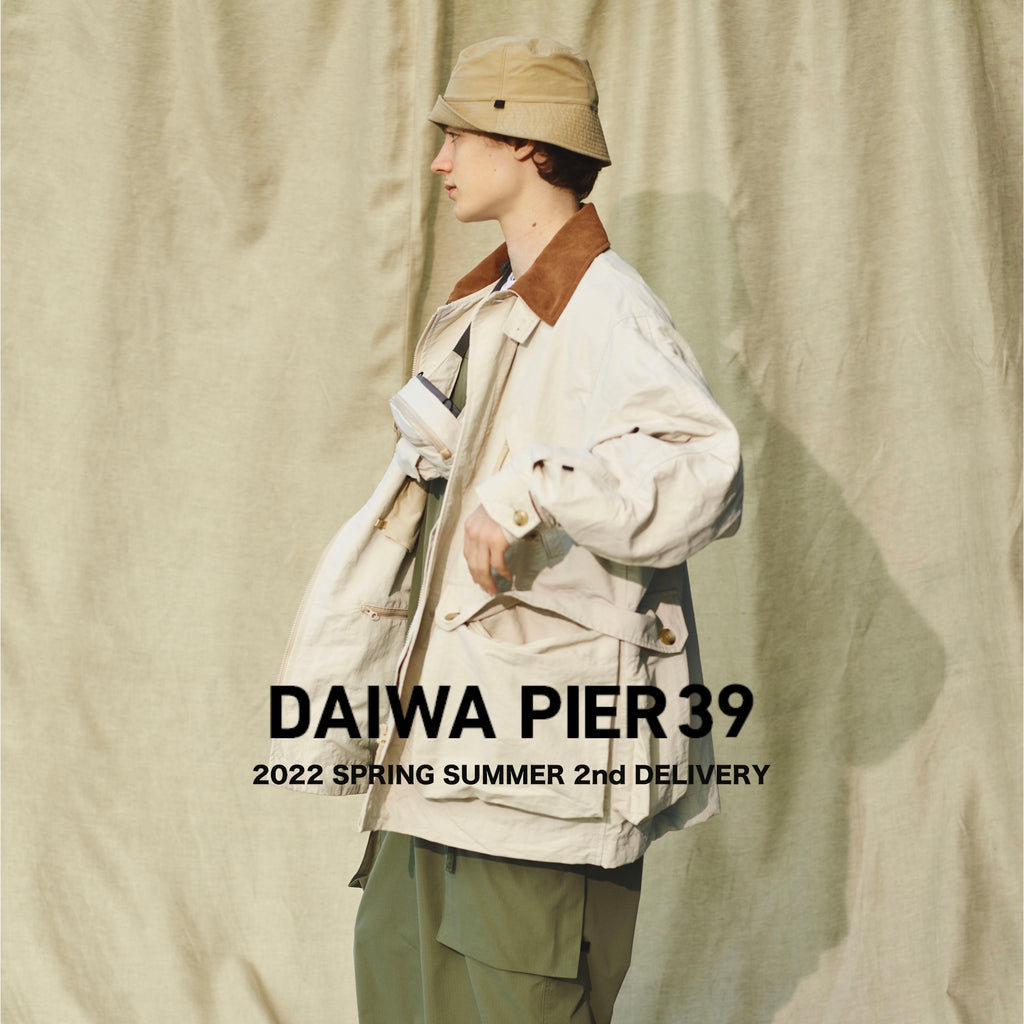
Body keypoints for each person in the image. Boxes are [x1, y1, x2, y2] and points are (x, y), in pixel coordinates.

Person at [271, 36, 743, 1024]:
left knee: (517, 1000)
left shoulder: (607, 307)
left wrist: (532, 491)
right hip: (444, 752)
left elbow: (701, 467)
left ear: (526, 145)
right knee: (399, 988)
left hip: (543, 774)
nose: (438, 160)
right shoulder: (492, 304)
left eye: (459, 136)